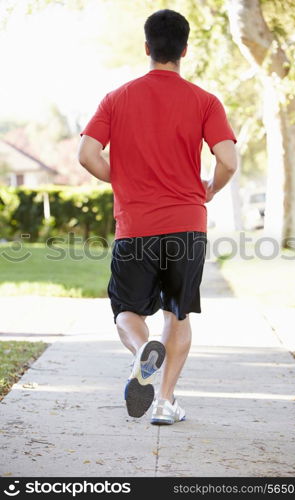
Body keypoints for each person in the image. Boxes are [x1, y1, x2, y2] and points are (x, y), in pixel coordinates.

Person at [78, 9, 237, 425]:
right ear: (184, 50)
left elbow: (87, 154)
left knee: (127, 311)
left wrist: (124, 179)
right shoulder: (205, 101)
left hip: (136, 226)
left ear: (147, 48)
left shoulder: (116, 98)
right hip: (187, 224)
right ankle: (165, 403)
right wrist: (212, 189)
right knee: (177, 315)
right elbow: (229, 160)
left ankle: (139, 354)